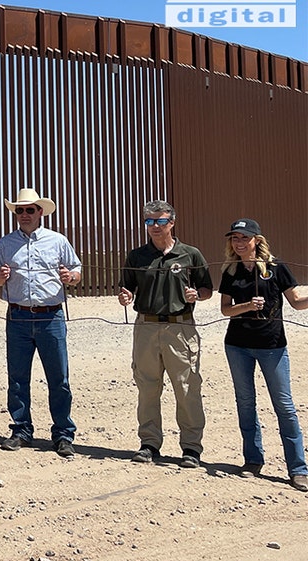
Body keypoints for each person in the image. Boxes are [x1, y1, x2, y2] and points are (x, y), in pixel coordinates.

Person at [117, 200, 213, 468]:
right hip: (146, 326)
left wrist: (198, 295)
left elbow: (207, 289)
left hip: (180, 327)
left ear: (172, 222)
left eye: (160, 221)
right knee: (147, 387)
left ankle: (191, 448)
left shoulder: (190, 254)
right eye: (149, 222)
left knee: (186, 388)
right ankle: (149, 444)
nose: (155, 227)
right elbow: (128, 288)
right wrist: (125, 296)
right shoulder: (137, 256)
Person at [0, 188, 81, 457]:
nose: (25, 214)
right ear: (15, 214)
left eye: (30, 209)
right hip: (17, 316)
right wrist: (0, 277)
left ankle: (63, 435)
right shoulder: (5, 244)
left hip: (51, 316)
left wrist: (70, 277)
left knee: (59, 378)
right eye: (20, 210)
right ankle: (21, 430)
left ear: (41, 212)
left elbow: (76, 271)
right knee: (17, 378)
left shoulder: (58, 241)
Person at [218, 218, 308, 491]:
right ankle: (253, 461)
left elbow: (296, 303)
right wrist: (245, 305)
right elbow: (225, 310)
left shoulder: (276, 268)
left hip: (272, 346)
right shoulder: (230, 271)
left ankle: (298, 469)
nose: (240, 243)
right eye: (235, 238)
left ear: (258, 240)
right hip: (237, 345)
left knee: (285, 406)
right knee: (246, 403)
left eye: (245, 238)